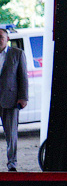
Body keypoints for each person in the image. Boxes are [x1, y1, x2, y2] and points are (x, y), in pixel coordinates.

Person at [0, 28, 27, 172]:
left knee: (11, 134)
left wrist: (23, 97)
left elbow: (23, 77)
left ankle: (12, 164)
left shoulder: (17, 54)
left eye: (0, 37)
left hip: (10, 100)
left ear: (7, 39)